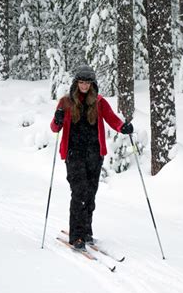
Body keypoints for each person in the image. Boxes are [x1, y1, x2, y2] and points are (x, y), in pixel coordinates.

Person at [50, 65, 133, 250]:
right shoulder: (65, 102)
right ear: (76, 83)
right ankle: (77, 236)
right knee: (79, 192)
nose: (84, 86)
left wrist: (123, 127)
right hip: (74, 154)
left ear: (92, 84)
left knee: (90, 194)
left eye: (88, 82)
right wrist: (57, 118)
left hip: (94, 155)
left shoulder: (99, 102)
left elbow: (112, 119)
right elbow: (55, 128)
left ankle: (87, 232)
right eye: (81, 82)